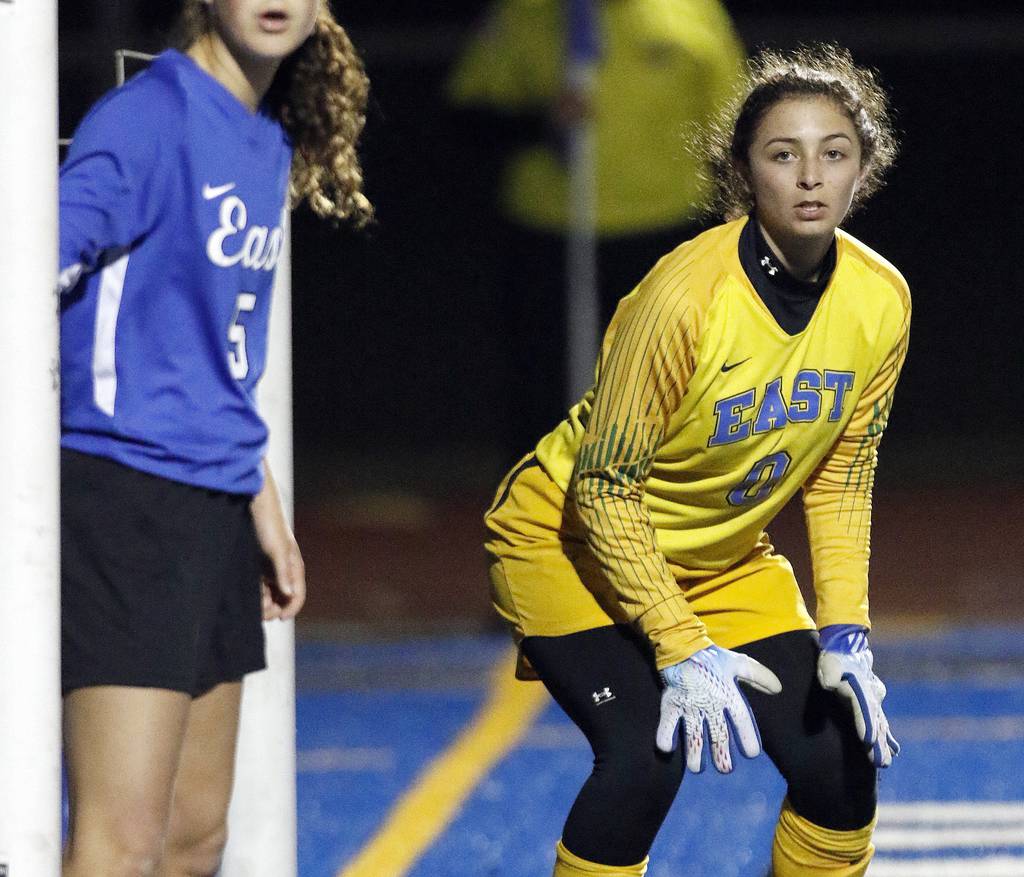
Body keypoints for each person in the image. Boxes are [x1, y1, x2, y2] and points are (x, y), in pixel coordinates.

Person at [484, 43, 907, 877]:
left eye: (835, 153)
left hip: (717, 560)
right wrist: (677, 642)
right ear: (745, 175)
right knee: (644, 755)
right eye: (783, 154)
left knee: (840, 761)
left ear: (866, 169)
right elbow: (604, 488)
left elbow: (843, 474)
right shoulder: (685, 296)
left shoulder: (880, 298)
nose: (811, 176)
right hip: (566, 542)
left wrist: (847, 629)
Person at [57, 1, 370, 874]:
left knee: (196, 837)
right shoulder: (149, 118)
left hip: (213, 499)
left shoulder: (260, 134)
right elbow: (31, 265)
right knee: (120, 843)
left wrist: (257, 489)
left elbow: (203, 348)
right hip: (124, 499)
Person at [447, 0, 746, 460]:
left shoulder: (691, 12)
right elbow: (467, 119)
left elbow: (736, 129)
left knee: (667, 386)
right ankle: (540, 515)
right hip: (550, 231)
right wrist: (542, 121)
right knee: (544, 387)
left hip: (664, 232)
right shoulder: (524, 13)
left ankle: (660, 511)